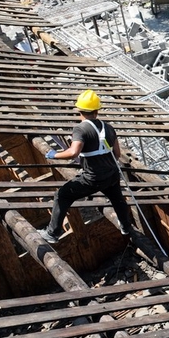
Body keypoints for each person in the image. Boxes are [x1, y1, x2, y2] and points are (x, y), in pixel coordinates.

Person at [40, 90, 133, 244]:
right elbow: (116, 154)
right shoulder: (108, 128)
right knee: (117, 199)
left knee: (62, 195)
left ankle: (52, 233)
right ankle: (125, 227)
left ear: (79, 111)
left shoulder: (80, 129)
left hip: (93, 178)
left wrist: (54, 155)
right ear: (97, 111)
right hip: (111, 174)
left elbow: (73, 152)